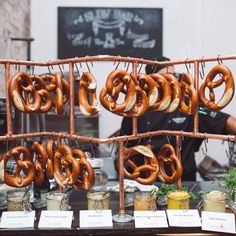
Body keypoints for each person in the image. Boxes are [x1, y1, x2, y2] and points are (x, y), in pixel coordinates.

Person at [120, 56, 236, 181]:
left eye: (174, 75)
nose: (172, 81)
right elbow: (123, 149)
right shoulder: (137, 109)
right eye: (166, 76)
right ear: (150, 81)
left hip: (183, 181)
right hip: (146, 183)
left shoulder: (187, 105)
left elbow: (224, 120)